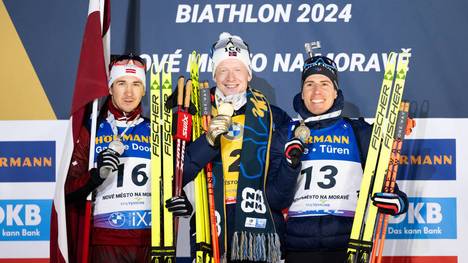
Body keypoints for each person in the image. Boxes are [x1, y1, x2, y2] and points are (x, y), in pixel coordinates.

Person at [266, 55, 409, 263]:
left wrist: (398, 203)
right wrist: (290, 164)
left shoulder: (359, 132)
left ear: (335, 92)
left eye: (324, 84)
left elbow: (390, 191)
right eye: (310, 84)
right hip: (299, 250)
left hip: (349, 250)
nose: (317, 92)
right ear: (302, 93)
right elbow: (275, 201)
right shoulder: (286, 134)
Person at [181, 32, 290, 263]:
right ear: (214, 75)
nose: (230, 78)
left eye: (238, 69)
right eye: (223, 70)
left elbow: (283, 191)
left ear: (248, 74)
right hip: (207, 225)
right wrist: (208, 141)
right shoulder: (194, 113)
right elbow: (177, 175)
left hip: (258, 230)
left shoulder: (273, 116)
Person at [64, 54, 152, 262]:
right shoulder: (91, 129)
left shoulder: (155, 129)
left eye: (136, 84)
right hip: (105, 242)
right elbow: (66, 192)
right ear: (110, 88)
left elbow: (172, 180)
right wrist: (94, 177)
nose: (129, 92)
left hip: (146, 241)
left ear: (144, 90)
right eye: (121, 83)